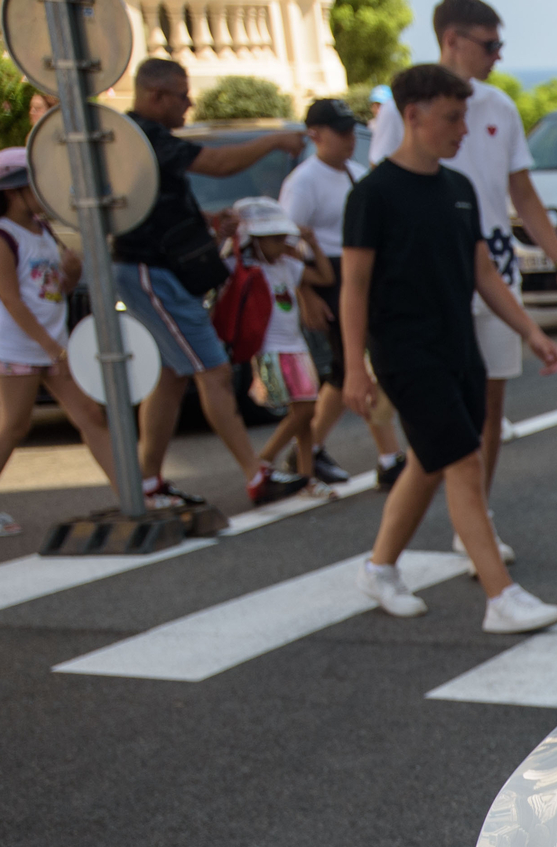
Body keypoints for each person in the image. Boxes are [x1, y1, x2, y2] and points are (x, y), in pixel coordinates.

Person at [343, 64, 557, 634]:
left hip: (458, 345)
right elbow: (355, 286)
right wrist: (352, 368)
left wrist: (530, 331)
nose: (463, 129)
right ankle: (502, 597)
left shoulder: (458, 190)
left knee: (429, 459)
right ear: (411, 117)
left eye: (463, 116)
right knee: (462, 460)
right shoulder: (373, 196)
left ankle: (379, 567)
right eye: (451, 117)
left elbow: (484, 274)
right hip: (405, 351)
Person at [369, 0, 557, 563]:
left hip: (490, 267)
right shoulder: (405, 107)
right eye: (489, 46)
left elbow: (523, 194)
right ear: (452, 40)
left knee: (486, 404)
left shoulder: (500, 107)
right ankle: (437, 544)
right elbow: (382, 191)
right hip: (429, 280)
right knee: (445, 415)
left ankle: (474, 522)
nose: (498, 57)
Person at [113, 59, 310, 509]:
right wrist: (275, 140)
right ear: (156, 96)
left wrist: (205, 221)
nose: (189, 103)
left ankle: (148, 480)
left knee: (172, 374)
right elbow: (218, 164)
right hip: (152, 269)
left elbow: (152, 204)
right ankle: (256, 473)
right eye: (183, 95)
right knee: (214, 371)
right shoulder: (146, 136)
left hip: (151, 266)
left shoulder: (138, 139)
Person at [0, 148, 118, 537]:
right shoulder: (0, 236)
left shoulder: (41, 228)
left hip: (51, 340)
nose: (45, 190)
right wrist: (52, 349)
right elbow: (12, 301)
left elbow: (52, 292)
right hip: (16, 345)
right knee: (14, 425)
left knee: (89, 414)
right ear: (14, 190)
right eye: (36, 183)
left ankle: (130, 496)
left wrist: (72, 275)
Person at [279, 97, 405, 490]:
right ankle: (389, 456)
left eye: (352, 130)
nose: (350, 138)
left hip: (359, 270)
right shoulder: (303, 181)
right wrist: (304, 293)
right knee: (360, 366)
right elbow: (284, 242)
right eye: (340, 131)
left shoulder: (356, 174)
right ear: (315, 135)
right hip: (325, 275)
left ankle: (310, 445)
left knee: (339, 371)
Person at [231, 199, 329, 488]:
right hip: (271, 348)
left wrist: (312, 243)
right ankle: (265, 460)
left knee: (304, 414)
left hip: (297, 346)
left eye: (282, 237)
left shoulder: (288, 265)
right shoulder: (245, 266)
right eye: (273, 239)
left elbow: (325, 276)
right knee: (305, 409)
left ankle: (306, 476)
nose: (281, 243)